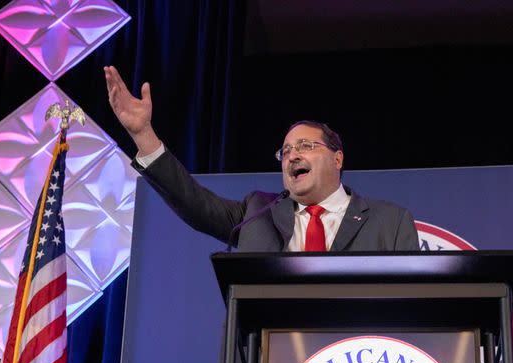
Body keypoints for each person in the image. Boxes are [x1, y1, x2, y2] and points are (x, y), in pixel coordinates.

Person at [103, 66, 420, 252]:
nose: (292, 155)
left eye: (306, 146)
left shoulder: (389, 223)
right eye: (286, 151)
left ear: (337, 159)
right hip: (270, 359)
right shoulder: (257, 213)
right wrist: (144, 134)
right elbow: (193, 202)